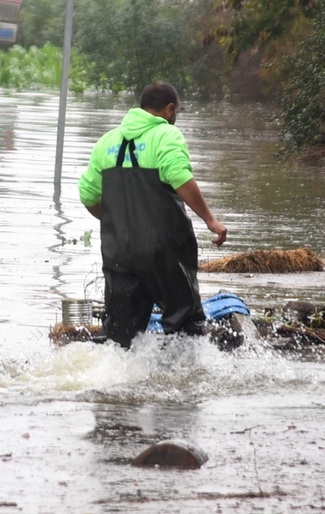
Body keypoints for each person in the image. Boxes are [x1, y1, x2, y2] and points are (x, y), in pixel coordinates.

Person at [78, 82, 227, 348]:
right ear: (170, 109)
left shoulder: (106, 142)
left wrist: (118, 223)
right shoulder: (166, 136)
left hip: (119, 253)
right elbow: (180, 177)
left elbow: (87, 195)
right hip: (165, 251)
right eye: (177, 110)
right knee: (184, 327)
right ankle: (182, 382)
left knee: (121, 337)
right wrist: (210, 220)